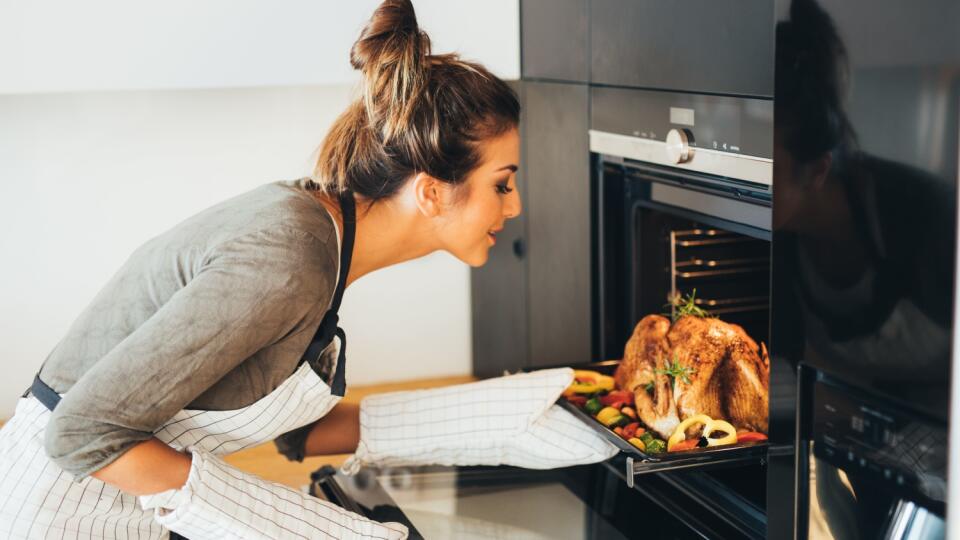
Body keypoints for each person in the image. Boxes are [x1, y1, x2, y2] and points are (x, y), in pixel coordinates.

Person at [0, 1, 543, 537]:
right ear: (430, 192)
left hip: (116, 502)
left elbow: (298, 432)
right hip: (58, 513)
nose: (514, 206)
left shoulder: (318, 236)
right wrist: (308, 527)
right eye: (502, 183)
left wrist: (512, 416)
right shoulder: (289, 260)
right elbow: (81, 433)